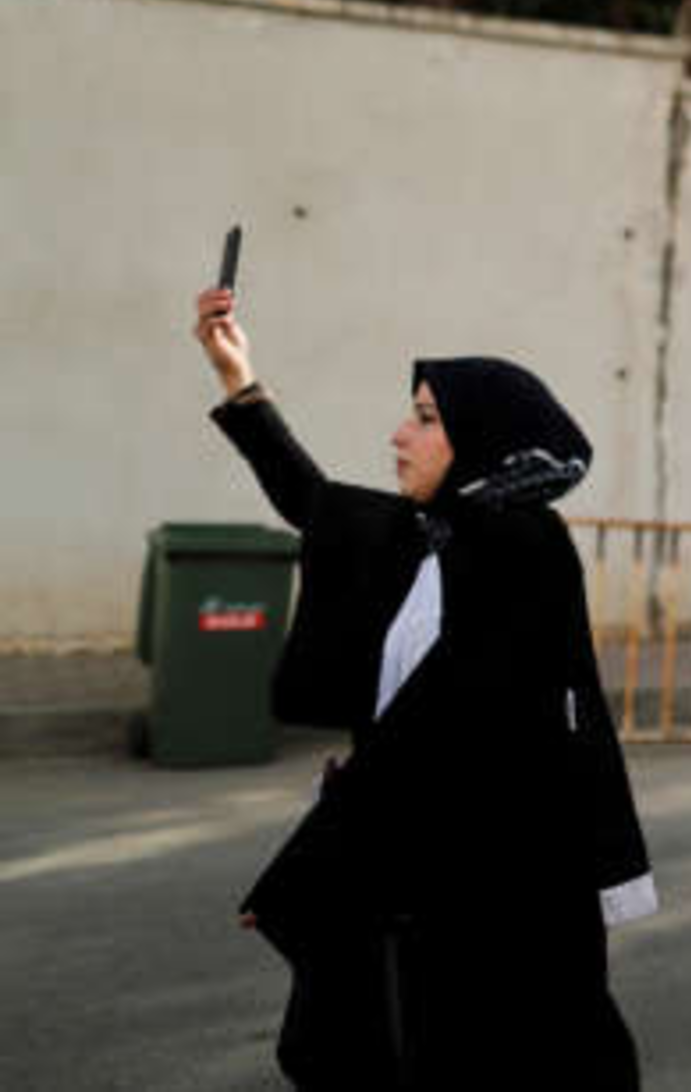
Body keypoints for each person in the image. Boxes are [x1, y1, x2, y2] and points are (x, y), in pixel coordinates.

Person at [191, 286, 653, 1089]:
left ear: (483, 439)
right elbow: (315, 504)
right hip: (414, 861)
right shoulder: (431, 536)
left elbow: (433, 729)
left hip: (497, 884)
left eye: (427, 417)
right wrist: (237, 377)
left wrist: (311, 863)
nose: (399, 434)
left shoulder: (520, 552)